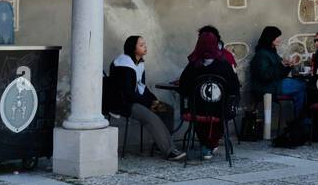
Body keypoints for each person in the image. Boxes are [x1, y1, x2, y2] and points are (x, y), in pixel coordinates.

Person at [105, 36, 186, 162]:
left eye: (144, 44)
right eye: (141, 45)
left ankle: (161, 145)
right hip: (124, 103)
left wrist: (153, 100)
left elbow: (141, 86)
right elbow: (128, 93)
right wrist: (148, 102)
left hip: (137, 100)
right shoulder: (123, 65)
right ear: (133, 48)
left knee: (166, 109)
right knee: (151, 118)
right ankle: (169, 151)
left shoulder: (139, 63)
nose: (145, 47)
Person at [179, 29, 241, 159]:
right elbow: (234, 87)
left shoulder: (193, 65)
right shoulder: (224, 65)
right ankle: (210, 145)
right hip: (220, 111)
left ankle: (205, 145)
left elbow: (183, 87)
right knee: (218, 109)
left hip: (197, 111)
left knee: (199, 108)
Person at [249, 25, 305, 119]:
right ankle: (301, 122)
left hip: (275, 84)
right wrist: (281, 65)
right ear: (270, 38)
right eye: (277, 37)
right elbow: (264, 75)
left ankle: (300, 121)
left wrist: (289, 66)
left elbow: (280, 72)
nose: (279, 39)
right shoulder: (262, 54)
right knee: (302, 86)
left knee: (302, 87)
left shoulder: (272, 52)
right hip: (267, 87)